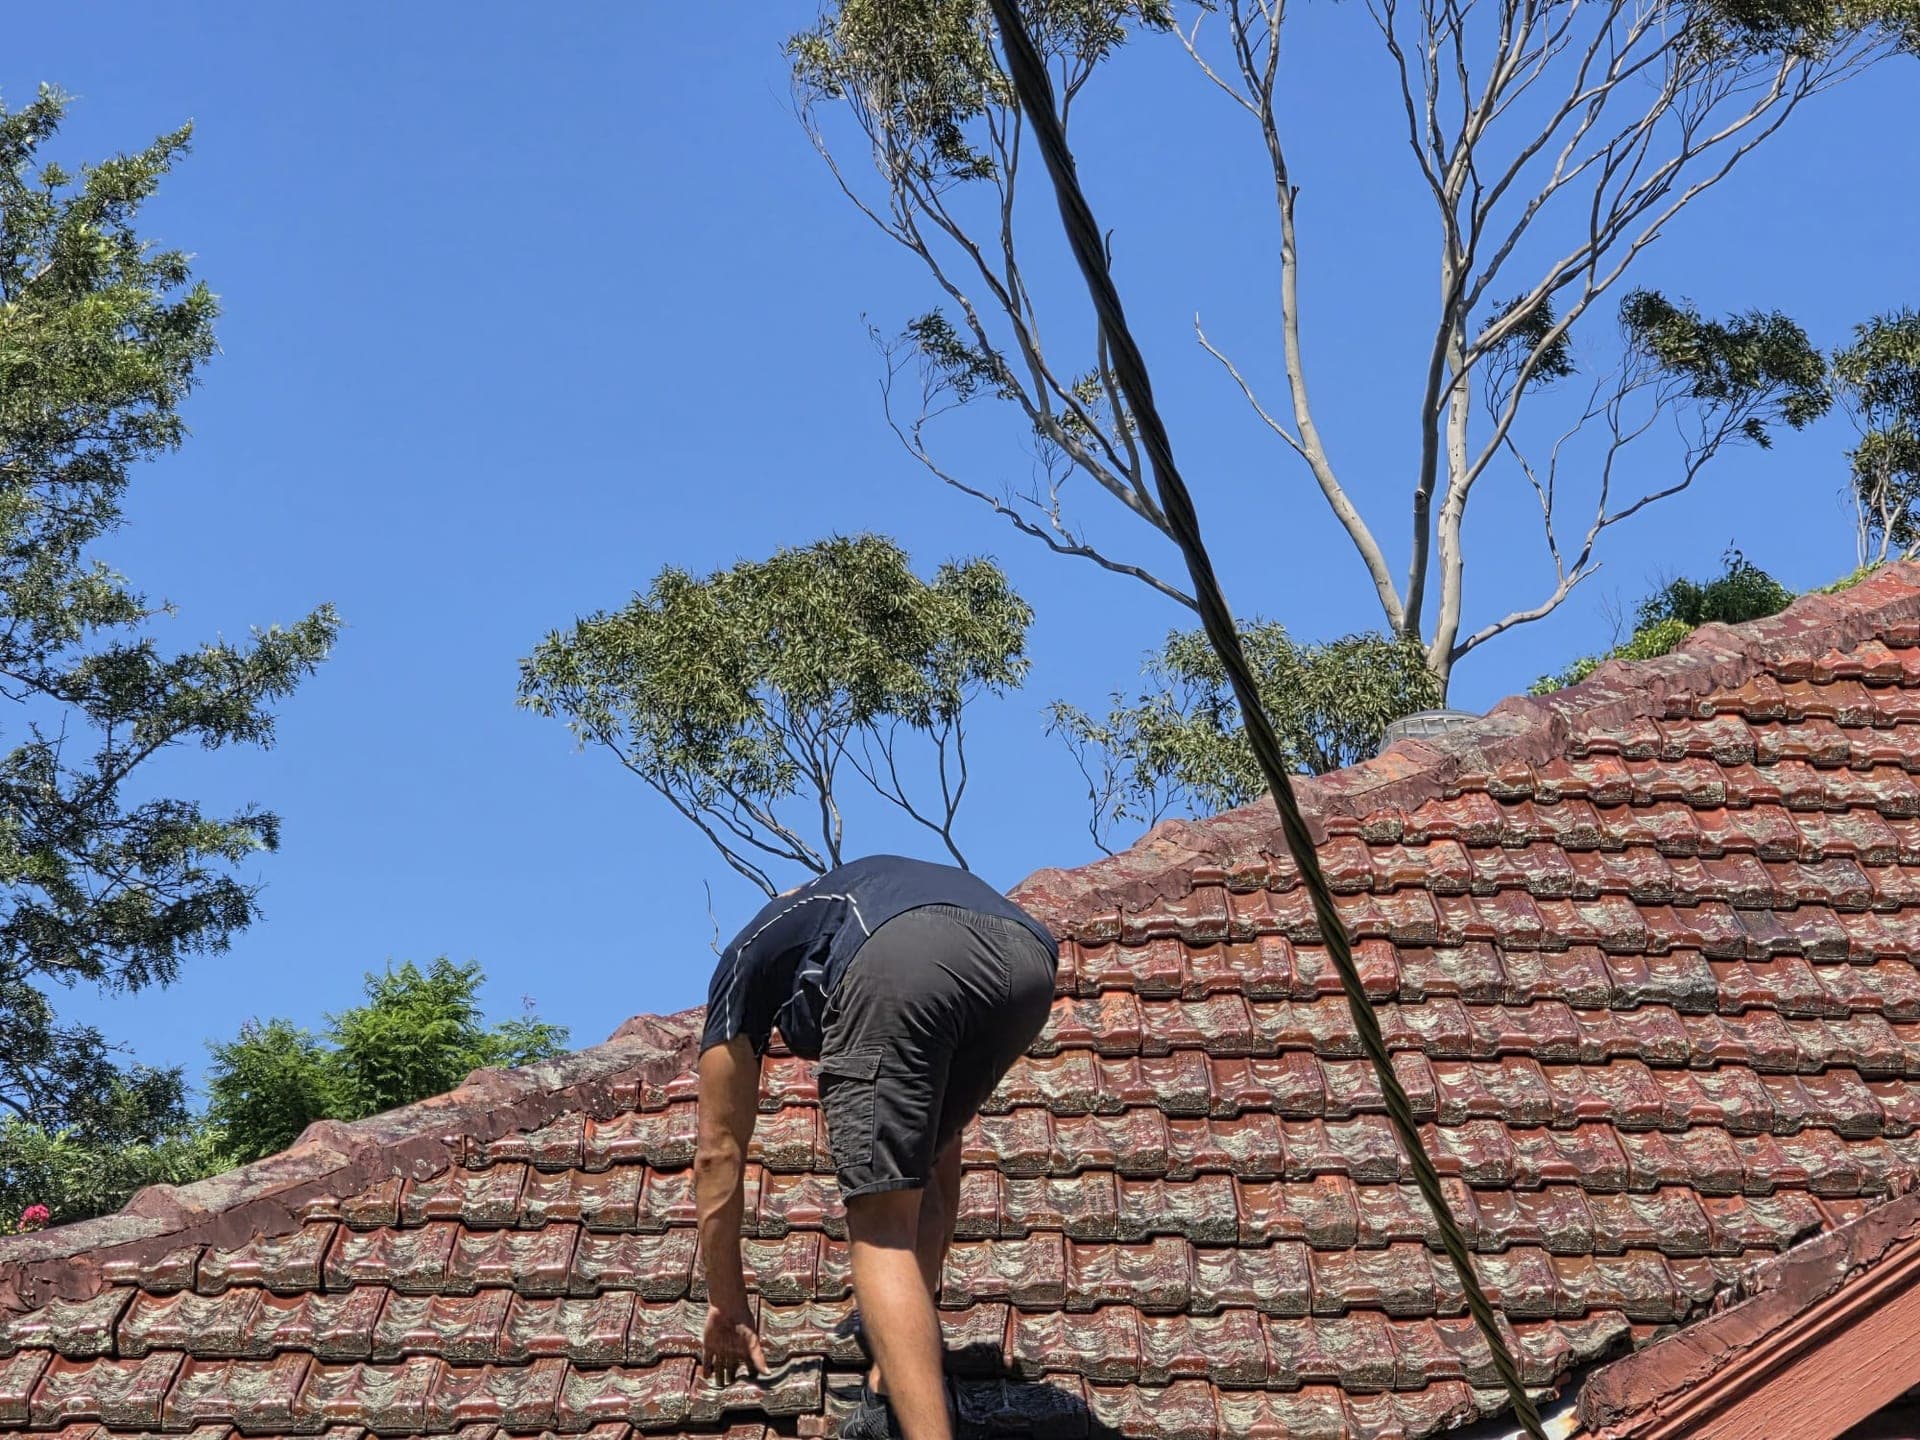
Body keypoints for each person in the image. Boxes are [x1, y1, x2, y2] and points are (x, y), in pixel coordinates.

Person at [693, 854, 1058, 1440]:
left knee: (880, 1224)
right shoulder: (857, 892)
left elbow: (718, 1151)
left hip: (903, 959)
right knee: (923, 1159)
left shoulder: (745, 957)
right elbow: (937, 1162)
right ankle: (895, 1376)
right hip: (1028, 959)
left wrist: (728, 1306)